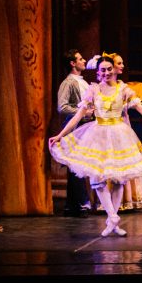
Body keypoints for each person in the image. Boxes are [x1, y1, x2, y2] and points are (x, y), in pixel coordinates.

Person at [49, 56, 142, 237]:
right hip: (97, 134)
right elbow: (78, 115)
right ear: (98, 72)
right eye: (102, 70)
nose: (106, 72)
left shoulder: (123, 90)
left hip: (119, 134)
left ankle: (113, 222)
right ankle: (112, 216)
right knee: (97, 179)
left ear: (113, 70)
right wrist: (60, 135)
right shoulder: (94, 90)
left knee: (119, 179)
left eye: (108, 69)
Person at [103, 52, 142, 212]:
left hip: (122, 128)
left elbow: (140, 109)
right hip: (105, 130)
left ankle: (126, 200)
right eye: (119, 63)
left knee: (125, 164)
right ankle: (106, 204)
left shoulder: (123, 88)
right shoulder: (99, 88)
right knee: (107, 164)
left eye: (122, 63)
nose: (122, 66)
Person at [56, 48, 92, 216]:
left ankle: (72, 205)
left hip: (85, 125)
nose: (84, 61)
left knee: (78, 164)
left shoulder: (82, 82)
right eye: (80, 59)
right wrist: (82, 112)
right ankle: (80, 203)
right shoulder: (69, 82)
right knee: (76, 165)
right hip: (75, 127)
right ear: (72, 63)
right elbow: (62, 107)